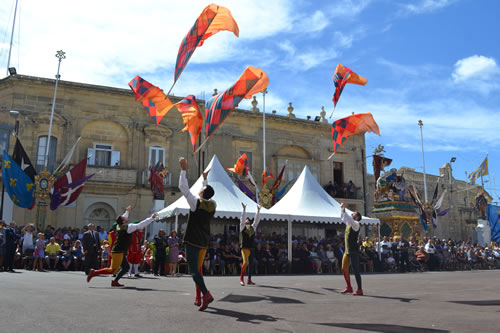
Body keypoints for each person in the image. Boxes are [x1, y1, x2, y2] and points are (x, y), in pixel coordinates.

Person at [178, 157, 216, 311]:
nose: (199, 190)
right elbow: (206, 194)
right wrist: (205, 180)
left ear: (202, 193)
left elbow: (183, 187)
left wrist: (183, 169)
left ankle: (205, 294)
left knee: (194, 270)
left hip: (192, 240)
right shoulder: (212, 204)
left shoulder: (196, 203)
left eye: (201, 189)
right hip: (203, 241)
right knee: (198, 270)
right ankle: (198, 297)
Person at [87, 206, 158, 287]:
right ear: (123, 221)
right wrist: (151, 218)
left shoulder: (119, 225)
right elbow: (140, 225)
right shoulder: (128, 227)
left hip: (119, 250)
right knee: (112, 270)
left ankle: (115, 281)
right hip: (118, 251)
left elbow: (122, 218)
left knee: (125, 267)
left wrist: (127, 211)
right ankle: (94, 272)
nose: (126, 217)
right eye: (124, 218)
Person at [340, 201, 363, 296]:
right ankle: (349, 287)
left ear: (357, 217)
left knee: (356, 271)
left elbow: (348, 218)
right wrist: (342, 209)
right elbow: (343, 217)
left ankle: (360, 289)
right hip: (347, 251)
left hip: (353, 251)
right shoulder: (349, 224)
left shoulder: (356, 224)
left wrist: (344, 209)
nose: (352, 213)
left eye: (354, 213)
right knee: (343, 269)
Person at [239, 202, 262, 286]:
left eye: (248, 219)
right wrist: (244, 209)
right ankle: (241, 279)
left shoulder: (253, 227)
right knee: (245, 263)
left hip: (251, 248)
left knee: (251, 264)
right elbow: (242, 218)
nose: (247, 219)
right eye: (246, 219)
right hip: (244, 248)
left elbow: (256, 220)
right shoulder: (242, 227)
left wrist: (258, 211)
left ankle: (249, 279)